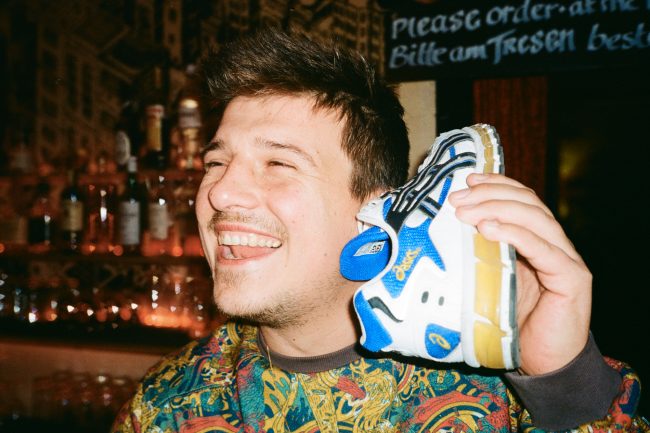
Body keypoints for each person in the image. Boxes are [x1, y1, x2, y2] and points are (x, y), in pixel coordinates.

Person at [111, 28, 648, 432]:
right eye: (215, 163)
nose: (221, 193)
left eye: (278, 164)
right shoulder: (165, 407)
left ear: (378, 211)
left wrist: (565, 381)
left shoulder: (501, 393)